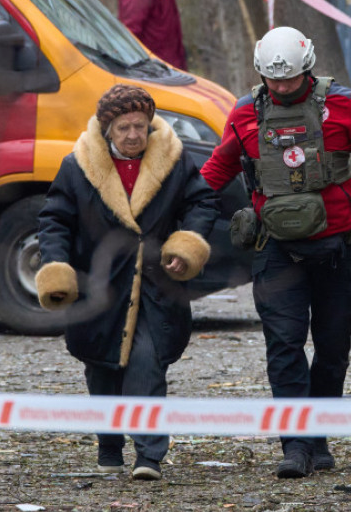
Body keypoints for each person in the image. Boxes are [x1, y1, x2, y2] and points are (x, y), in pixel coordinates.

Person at [200, 26, 351, 479]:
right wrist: (184, 216)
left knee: (333, 348)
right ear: (261, 74)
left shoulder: (343, 105)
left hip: (340, 248)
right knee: (283, 346)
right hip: (276, 252)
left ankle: (318, 434)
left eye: (289, 80)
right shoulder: (245, 114)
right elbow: (217, 168)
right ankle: (295, 445)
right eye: (272, 81)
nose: (281, 89)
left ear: (308, 68)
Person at [35, 84, 219, 480]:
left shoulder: (173, 161)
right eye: (124, 128)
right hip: (99, 285)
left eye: (140, 126)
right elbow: (55, 220)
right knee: (101, 365)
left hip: (155, 283)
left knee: (146, 362)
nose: (133, 135)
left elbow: (202, 202)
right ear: (107, 130)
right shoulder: (77, 165)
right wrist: (56, 266)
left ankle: (149, 455)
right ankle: (109, 445)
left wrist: (185, 244)